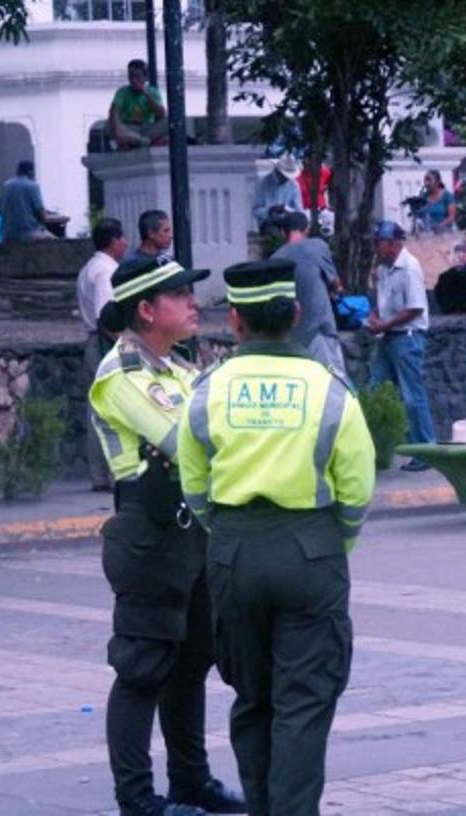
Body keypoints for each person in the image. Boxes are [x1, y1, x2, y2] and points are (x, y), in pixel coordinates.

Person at [177, 258, 376, 816]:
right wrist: (336, 542)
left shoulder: (207, 389)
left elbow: (193, 484)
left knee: (253, 697)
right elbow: (358, 484)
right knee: (304, 703)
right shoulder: (330, 388)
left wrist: (228, 533)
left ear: (235, 321)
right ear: (293, 314)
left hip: (234, 551)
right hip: (311, 549)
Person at [89, 256, 246, 816]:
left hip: (191, 533)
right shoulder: (121, 374)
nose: (192, 304)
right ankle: (137, 800)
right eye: (179, 295)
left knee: (190, 665)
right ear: (147, 310)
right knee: (142, 668)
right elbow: (189, 441)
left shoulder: (177, 368)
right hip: (150, 535)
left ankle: (191, 781)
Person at [367, 220, 436, 471]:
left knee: (411, 394)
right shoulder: (384, 268)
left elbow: (415, 308)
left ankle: (426, 450)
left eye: (380, 243)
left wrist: (383, 325)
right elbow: (385, 301)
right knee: (376, 389)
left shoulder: (409, 267)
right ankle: (378, 449)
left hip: (407, 336)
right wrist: (376, 316)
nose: (376, 248)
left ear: (394, 244)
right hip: (389, 336)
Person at [78, 217, 128, 492]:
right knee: (109, 410)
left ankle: (99, 473)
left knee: (97, 410)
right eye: (122, 238)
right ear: (113, 242)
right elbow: (106, 317)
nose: (126, 243)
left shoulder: (90, 267)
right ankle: (111, 473)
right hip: (104, 344)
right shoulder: (105, 273)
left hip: (94, 342)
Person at [270, 211, 346, 372]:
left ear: (284, 232)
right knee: (335, 383)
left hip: (291, 337)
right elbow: (335, 283)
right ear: (306, 229)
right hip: (319, 331)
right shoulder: (317, 246)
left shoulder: (275, 259)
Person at [109, 59, 169, 150]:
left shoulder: (153, 92)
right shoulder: (122, 92)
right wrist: (117, 128)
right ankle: (144, 142)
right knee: (109, 126)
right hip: (129, 127)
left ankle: (139, 142)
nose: (133, 80)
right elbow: (114, 112)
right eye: (131, 76)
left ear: (145, 78)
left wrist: (145, 93)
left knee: (169, 121)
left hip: (148, 128)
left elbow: (161, 114)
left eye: (137, 76)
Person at [0, 161, 55, 242]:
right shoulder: (32, 186)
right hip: (28, 233)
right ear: (30, 171)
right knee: (57, 242)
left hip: (7, 234)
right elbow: (41, 214)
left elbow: (0, 211)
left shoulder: (6, 186)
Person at [251, 155, 304, 235]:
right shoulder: (262, 183)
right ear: (278, 171)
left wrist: (288, 210)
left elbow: (299, 210)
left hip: (288, 222)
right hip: (268, 222)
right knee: (274, 234)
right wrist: (270, 210)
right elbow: (256, 211)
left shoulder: (293, 185)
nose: (286, 179)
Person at [415, 169, 456, 233]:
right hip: (427, 232)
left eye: (429, 180)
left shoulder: (447, 196)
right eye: (425, 180)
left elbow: (451, 216)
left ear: (437, 182)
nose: (426, 183)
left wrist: (440, 225)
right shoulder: (423, 197)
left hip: (444, 232)